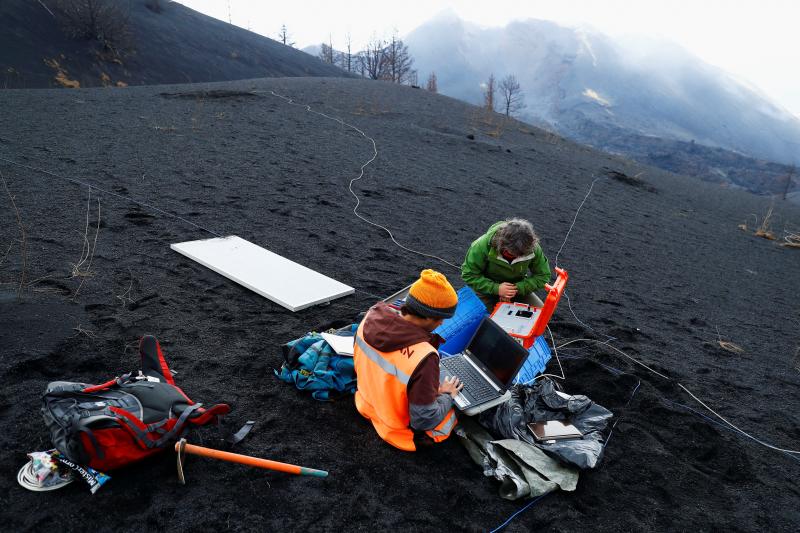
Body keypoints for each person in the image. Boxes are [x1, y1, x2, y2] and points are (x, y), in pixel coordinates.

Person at [353, 269, 463, 452]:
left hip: (365, 402)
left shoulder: (370, 317)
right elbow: (423, 420)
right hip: (394, 428)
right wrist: (446, 395)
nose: (442, 323)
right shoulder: (425, 356)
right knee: (456, 412)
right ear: (428, 316)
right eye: (441, 318)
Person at [461, 218, 551, 312]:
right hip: (485, 288)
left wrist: (515, 288)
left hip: (516, 289)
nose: (515, 258)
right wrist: (496, 288)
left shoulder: (532, 248)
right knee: (485, 318)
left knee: (540, 312)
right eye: (511, 254)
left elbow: (543, 276)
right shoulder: (482, 245)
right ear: (501, 244)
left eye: (520, 256)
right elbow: (469, 274)